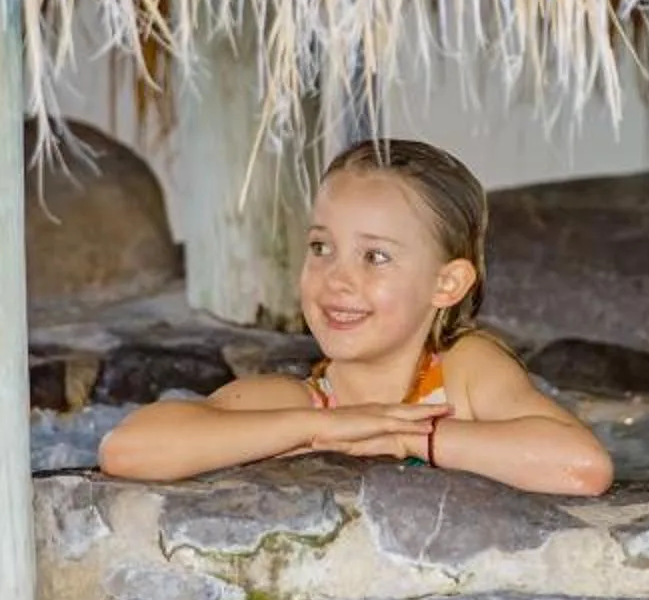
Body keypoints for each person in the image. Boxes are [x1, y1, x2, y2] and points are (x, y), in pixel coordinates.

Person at [97, 137, 615, 497]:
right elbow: (128, 450)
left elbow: (582, 466)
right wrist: (322, 427)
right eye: (321, 247)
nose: (337, 279)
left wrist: (403, 437)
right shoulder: (302, 404)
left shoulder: (464, 372)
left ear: (446, 284)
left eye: (375, 256)